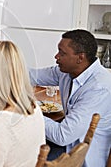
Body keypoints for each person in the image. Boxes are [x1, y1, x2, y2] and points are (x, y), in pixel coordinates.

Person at [29, 29, 111, 166]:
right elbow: (32, 75)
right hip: (68, 145)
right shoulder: (68, 72)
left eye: (62, 53)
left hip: (82, 159)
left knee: (19, 158)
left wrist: (29, 111)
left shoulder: (98, 88)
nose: (56, 56)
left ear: (80, 58)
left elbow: (62, 136)